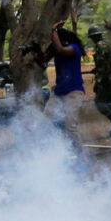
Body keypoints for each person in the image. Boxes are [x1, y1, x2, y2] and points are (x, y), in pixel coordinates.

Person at [36, 21, 87, 153]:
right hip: (58, 92)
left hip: (74, 93)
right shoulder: (58, 51)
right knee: (46, 121)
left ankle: (82, 158)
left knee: (71, 127)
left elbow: (60, 49)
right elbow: (43, 62)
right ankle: (60, 148)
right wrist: (38, 51)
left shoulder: (73, 48)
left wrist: (53, 29)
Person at [85, 25, 111, 138]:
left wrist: (98, 82)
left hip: (109, 79)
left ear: (95, 36)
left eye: (92, 37)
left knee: (100, 103)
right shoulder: (110, 43)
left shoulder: (100, 46)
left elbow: (102, 67)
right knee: (109, 103)